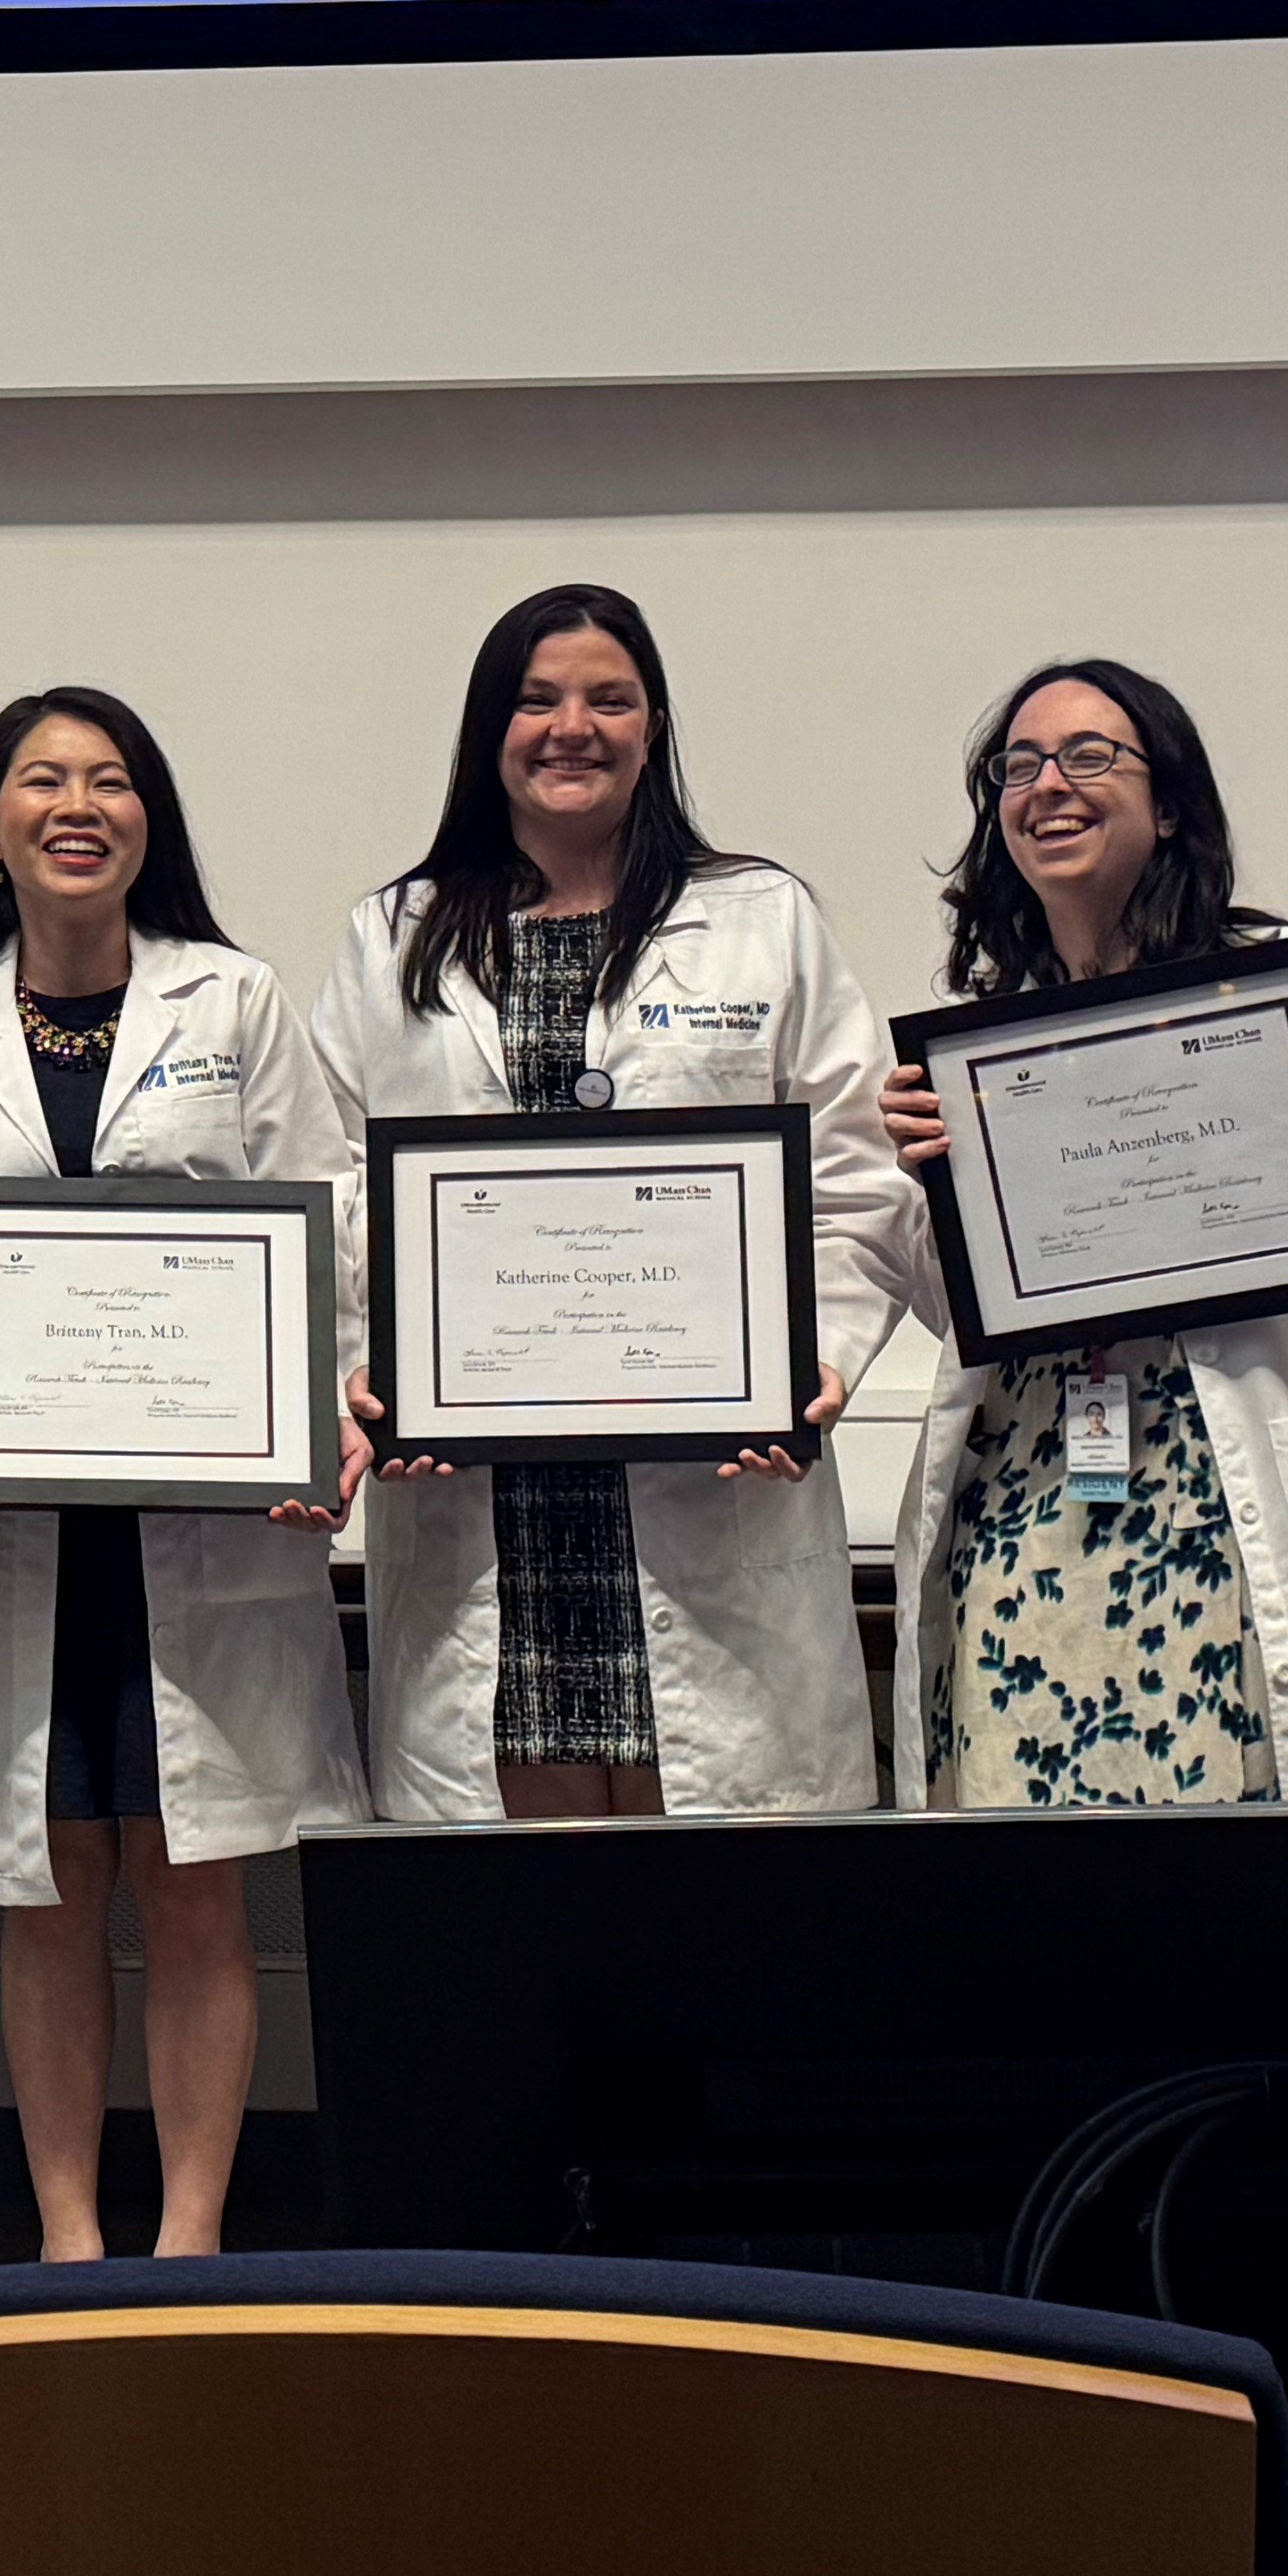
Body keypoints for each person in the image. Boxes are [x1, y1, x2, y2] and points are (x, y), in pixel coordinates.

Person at [0, 687, 367, 2261]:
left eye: (109, 781)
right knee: (50, 1886)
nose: (76, 805)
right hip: (12, 1529)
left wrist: (321, 1419)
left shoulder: (232, 1006)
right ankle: (71, 2236)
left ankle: (194, 2239)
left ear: (147, 819)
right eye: (43, 780)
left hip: (205, 1530)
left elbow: (328, 1231)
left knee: (194, 1883)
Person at [311, 585, 907, 1822]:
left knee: (706, 1935)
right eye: (536, 699)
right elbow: (333, 1195)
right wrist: (372, 1375)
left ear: (653, 728)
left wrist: (822, 1363)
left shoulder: (760, 920)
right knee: (522, 1940)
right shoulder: (394, 937)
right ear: (492, 731)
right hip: (489, 1506)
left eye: (607, 699)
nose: (570, 726)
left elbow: (853, 1181)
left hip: (710, 1486)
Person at [880, 658, 1288, 1805]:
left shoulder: (1280, 1001)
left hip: (1230, 1527)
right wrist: (924, 1181)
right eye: (1019, 765)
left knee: (1247, 1935)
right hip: (1027, 1535)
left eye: (1090, 754)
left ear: (1168, 804)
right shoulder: (973, 1046)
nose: (1048, 784)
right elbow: (958, 1311)